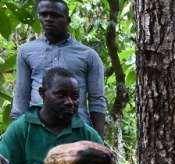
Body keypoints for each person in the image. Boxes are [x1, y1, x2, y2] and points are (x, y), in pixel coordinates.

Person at [12, 0, 106, 138]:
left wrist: (97, 140)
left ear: (67, 20)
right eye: (44, 15)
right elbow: (21, 98)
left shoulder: (88, 55)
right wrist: (15, 134)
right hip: (36, 129)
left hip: (76, 128)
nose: (48, 19)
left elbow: (97, 101)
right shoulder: (26, 51)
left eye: (55, 15)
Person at [0, 67, 103, 164]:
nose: (70, 102)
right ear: (42, 94)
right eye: (61, 95)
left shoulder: (87, 135)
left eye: (75, 96)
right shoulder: (22, 129)